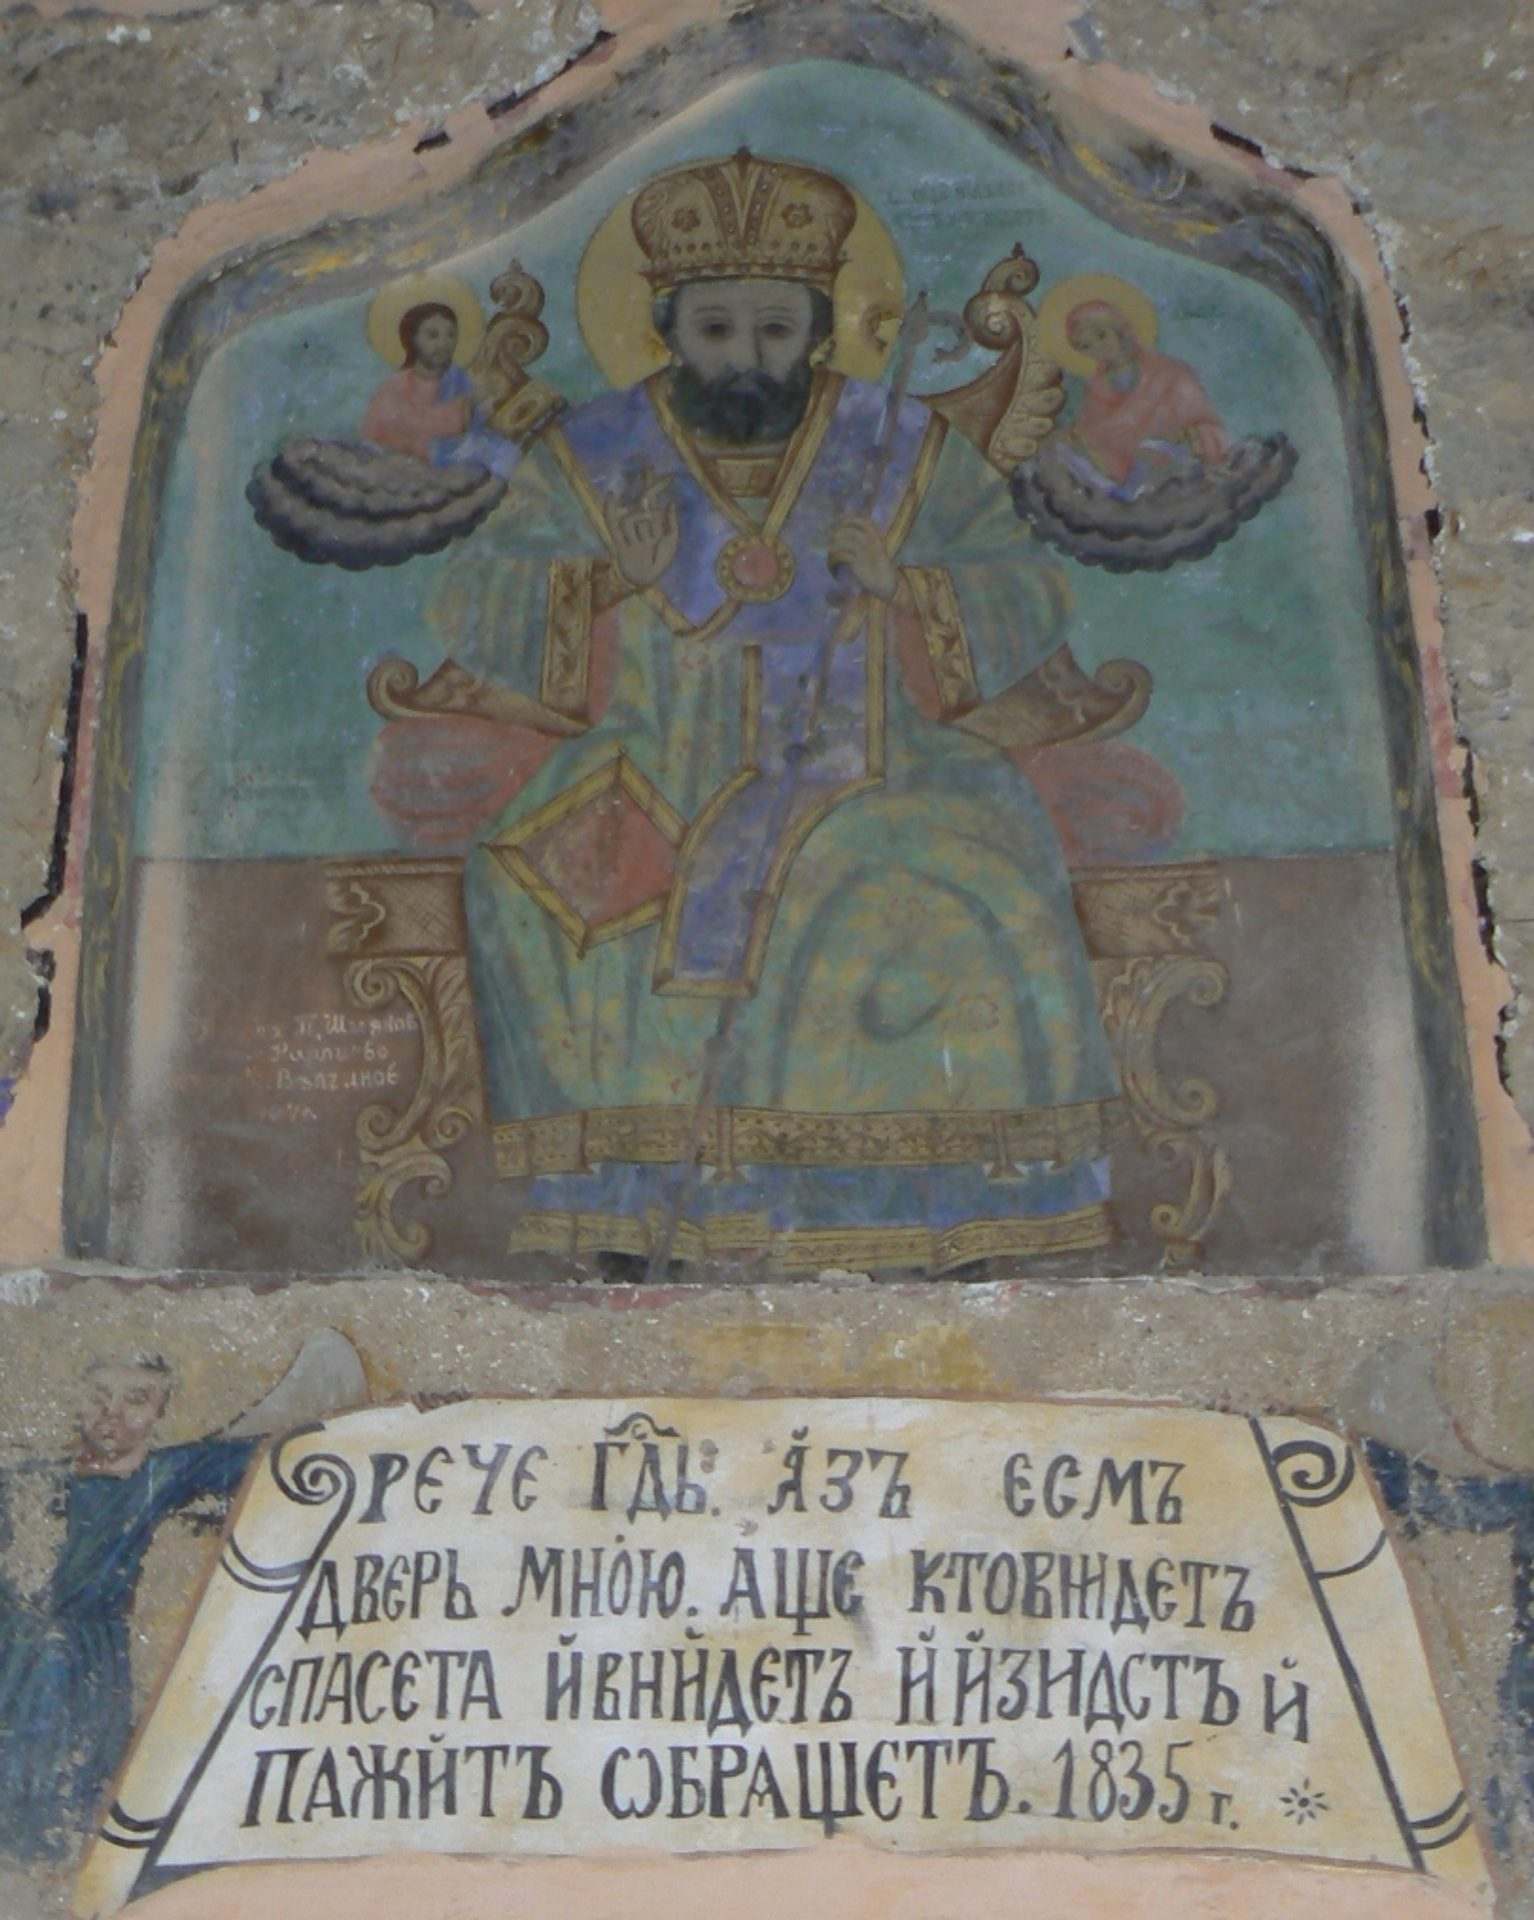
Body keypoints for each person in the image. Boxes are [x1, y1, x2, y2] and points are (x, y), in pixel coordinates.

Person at [393, 150, 1122, 1274]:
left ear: (822, 330)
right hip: (653, 760)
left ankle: (919, 1211)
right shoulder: (595, 452)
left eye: (776, 329)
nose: (746, 355)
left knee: (962, 883)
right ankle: (634, 1210)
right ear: (667, 328)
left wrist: (908, 585)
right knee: (523, 890)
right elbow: (474, 597)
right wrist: (608, 579)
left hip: (875, 760)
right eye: (718, 328)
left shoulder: (898, 444)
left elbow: (1029, 588)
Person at [0, 1334, 363, 1861]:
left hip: (85, 1665)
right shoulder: (25, 1481)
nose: (112, 1414)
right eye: (99, 1395)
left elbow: (271, 1450)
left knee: (71, 1812)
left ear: (160, 1411)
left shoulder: (161, 1473)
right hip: (14, 1658)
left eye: (136, 1399)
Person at [1061, 298, 1228, 499]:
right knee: (1063, 451)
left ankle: (1131, 492)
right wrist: (1079, 439)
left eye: (1101, 335)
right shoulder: (1097, 389)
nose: (1098, 347)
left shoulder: (1170, 373)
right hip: (1122, 465)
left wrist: (1190, 436)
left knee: (1151, 454)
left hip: (1169, 455)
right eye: (1086, 346)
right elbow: (1095, 432)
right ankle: (1118, 491)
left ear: (1119, 330)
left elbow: (1202, 420)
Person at [360, 301, 475, 463]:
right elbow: (371, 439)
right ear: (412, 339)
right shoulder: (393, 388)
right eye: (433, 335)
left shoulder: (463, 384)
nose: (444, 344)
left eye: (451, 335)